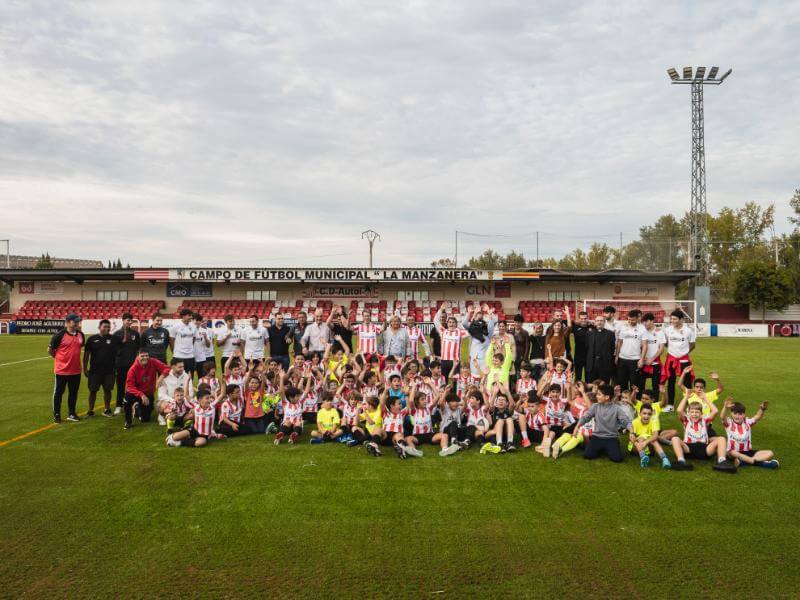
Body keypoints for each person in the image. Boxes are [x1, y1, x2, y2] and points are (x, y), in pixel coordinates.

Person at [670, 390, 735, 472]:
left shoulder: (705, 420)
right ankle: (681, 461)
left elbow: (715, 411)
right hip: (689, 448)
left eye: (697, 412)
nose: (694, 414)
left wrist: (705, 398)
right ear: (688, 413)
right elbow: (679, 410)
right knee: (675, 438)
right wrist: (686, 397)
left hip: (705, 449)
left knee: (721, 438)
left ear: (701, 413)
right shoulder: (686, 420)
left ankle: (722, 461)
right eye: (692, 412)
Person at [573, 383, 632, 462]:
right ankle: (602, 448)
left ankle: (611, 446)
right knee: (587, 455)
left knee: (617, 459)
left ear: (607, 397)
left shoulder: (616, 409)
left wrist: (632, 432)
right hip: (597, 437)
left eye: (599, 394)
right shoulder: (595, 406)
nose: (596, 396)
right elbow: (585, 417)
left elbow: (626, 421)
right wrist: (577, 427)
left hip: (611, 438)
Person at [720, 399, 779, 469]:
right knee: (732, 452)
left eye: (740, 414)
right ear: (731, 414)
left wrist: (762, 409)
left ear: (744, 415)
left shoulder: (747, 422)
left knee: (770, 453)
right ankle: (756, 462)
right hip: (733, 453)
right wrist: (725, 407)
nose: (737, 416)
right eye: (735, 414)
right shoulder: (729, 423)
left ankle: (743, 461)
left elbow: (757, 417)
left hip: (747, 452)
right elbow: (722, 417)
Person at [48, 313, 85, 423]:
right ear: (68, 322)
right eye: (75, 322)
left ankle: (72, 413)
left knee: (73, 393)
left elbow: (80, 346)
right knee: (58, 393)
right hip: (61, 371)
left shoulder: (80, 335)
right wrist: (58, 358)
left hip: (76, 370)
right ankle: (57, 415)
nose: (77, 324)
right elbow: (49, 350)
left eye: (78, 321)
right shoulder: (59, 335)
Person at [123, 349, 170, 430]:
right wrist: (141, 395)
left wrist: (161, 377)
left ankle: (136, 408)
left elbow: (167, 368)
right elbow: (129, 387)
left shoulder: (153, 362)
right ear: (137, 357)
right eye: (142, 356)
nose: (145, 358)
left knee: (145, 419)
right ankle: (128, 421)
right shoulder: (132, 369)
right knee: (127, 398)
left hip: (148, 393)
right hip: (136, 393)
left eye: (146, 355)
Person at [661, 309, 697, 410]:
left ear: (681, 319)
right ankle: (670, 405)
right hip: (671, 360)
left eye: (675, 319)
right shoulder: (668, 330)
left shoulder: (688, 331)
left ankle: (689, 405)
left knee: (687, 383)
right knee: (671, 382)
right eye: (671, 319)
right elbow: (666, 343)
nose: (672, 321)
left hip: (684, 360)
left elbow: (693, 344)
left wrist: (684, 353)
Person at [83, 319, 117, 417]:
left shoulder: (114, 339)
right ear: (99, 327)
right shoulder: (92, 339)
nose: (107, 328)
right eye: (105, 327)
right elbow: (86, 355)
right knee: (93, 391)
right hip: (95, 371)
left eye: (108, 327)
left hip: (110, 371)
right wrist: (85, 368)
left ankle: (107, 409)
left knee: (108, 390)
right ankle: (90, 410)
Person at [627, 403, 671, 469]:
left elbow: (655, 435)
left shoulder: (653, 422)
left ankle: (665, 459)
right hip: (636, 447)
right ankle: (643, 457)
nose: (646, 416)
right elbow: (632, 438)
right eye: (644, 413)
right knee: (640, 438)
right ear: (640, 414)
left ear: (652, 415)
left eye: (649, 414)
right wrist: (639, 443)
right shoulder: (634, 422)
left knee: (654, 440)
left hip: (648, 447)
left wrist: (645, 442)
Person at [112, 313, 140, 415]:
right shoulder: (116, 334)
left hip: (132, 365)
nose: (129, 322)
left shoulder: (135, 334)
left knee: (133, 386)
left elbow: (138, 349)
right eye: (127, 320)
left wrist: (137, 361)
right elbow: (113, 350)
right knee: (120, 386)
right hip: (120, 364)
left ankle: (132, 404)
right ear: (123, 320)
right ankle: (119, 406)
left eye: (130, 320)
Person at [462, 303, 498, 380]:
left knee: (485, 379)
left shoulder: (488, 332)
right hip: (474, 360)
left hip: (485, 360)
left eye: (481, 314)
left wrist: (489, 312)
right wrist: (469, 313)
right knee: (475, 379)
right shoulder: (472, 332)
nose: (479, 315)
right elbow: (464, 323)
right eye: (478, 314)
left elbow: (495, 321)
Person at [432, 302, 468, 380]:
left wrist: (459, 325)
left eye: (453, 323)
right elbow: (435, 320)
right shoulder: (443, 331)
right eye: (450, 322)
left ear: (456, 324)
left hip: (455, 360)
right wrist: (441, 309)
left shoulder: (460, 332)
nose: (451, 324)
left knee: (455, 379)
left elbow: (468, 332)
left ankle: (455, 392)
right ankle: (445, 392)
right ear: (447, 323)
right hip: (444, 360)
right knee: (444, 379)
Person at [615, 310, 646, 392]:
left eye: (632, 320)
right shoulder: (623, 327)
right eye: (629, 319)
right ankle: (623, 402)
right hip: (622, 358)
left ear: (637, 319)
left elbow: (645, 345)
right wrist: (617, 356)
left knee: (634, 384)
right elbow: (620, 342)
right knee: (622, 382)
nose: (630, 321)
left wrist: (642, 359)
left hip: (635, 359)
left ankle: (633, 403)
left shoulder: (642, 328)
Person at [639, 313, 665, 398]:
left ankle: (655, 405)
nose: (645, 324)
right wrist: (642, 359)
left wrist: (652, 359)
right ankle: (640, 404)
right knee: (640, 385)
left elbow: (661, 349)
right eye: (643, 322)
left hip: (655, 364)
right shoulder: (643, 332)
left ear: (652, 320)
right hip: (643, 363)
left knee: (655, 386)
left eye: (646, 321)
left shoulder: (659, 332)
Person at [585, 316, 615, 384]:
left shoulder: (610, 334)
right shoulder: (589, 333)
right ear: (595, 322)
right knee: (591, 384)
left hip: (605, 364)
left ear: (604, 322)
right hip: (592, 364)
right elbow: (587, 347)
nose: (599, 322)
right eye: (597, 321)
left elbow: (612, 348)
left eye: (601, 321)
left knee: (604, 385)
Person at [169, 308, 197, 378]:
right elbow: (171, 340)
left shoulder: (193, 326)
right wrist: (174, 351)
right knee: (177, 375)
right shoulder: (176, 326)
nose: (191, 317)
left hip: (190, 356)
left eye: (191, 315)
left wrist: (189, 347)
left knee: (190, 376)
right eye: (189, 315)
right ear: (183, 316)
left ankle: (189, 389)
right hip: (179, 355)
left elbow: (194, 338)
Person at [570, 311, 591, 382]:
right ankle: (577, 391)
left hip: (589, 356)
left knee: (588, 376)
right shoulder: (575, 327)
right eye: (581, 319)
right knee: (578, 376)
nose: (583, 320)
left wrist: (591, 322)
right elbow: (568, 322)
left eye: (585, 318)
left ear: (587, 318)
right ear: (578, 319)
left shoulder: (591, 327)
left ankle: (588, 391)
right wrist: (574, 321)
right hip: (578, 356)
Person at [192, 314, 212, 378]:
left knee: (202, 377)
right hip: (191, 357)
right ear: (192, 320)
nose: (198, 322)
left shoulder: (204, 330)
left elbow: (208, 345)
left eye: (199, 321)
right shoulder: (189, 329)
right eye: (196, 320)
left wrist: (206, 337)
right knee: (190, 377)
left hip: (201, 358)